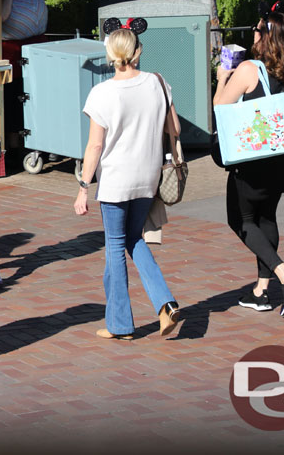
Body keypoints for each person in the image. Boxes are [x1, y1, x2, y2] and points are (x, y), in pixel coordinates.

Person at [74, 28, 182, 340]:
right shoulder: (158, 82)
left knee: (115, 247)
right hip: (148, 176)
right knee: (134, 238)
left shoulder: (102, 93)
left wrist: (83, 187)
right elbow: (173, 127)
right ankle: (165, 303)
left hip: (116, 181)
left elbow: (95, 146)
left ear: (110, 55)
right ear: (138, 51)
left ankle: (120, 324)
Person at [213, 11, 284, 316]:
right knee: (266, 218)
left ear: (266, 36)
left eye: (257, 31)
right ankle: (262, 292)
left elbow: (220, 108)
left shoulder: (248, 70)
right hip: (283, 156)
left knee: (241, 221)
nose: (253, 36)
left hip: (253, 157)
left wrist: (221, 79)